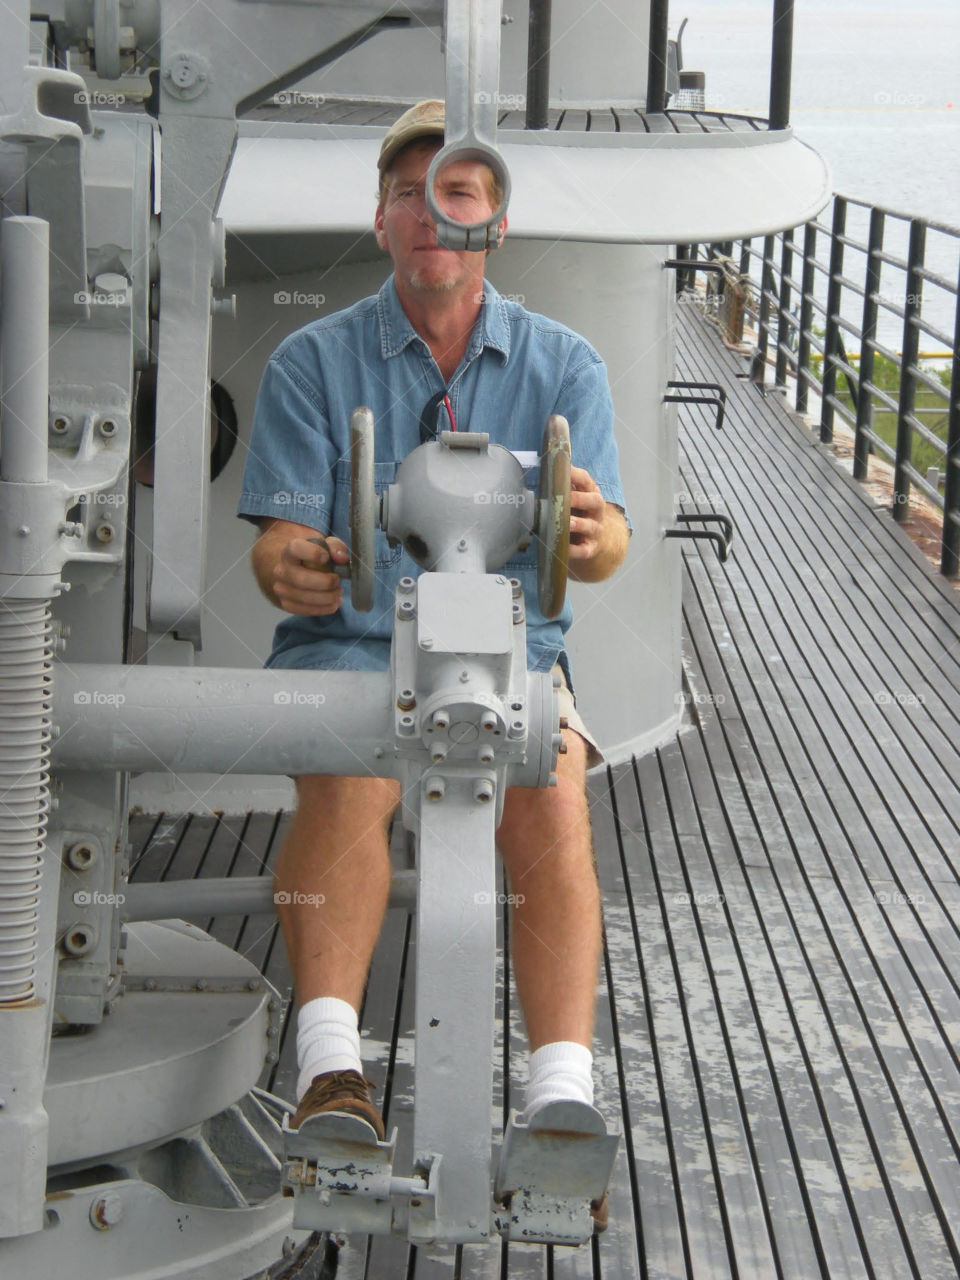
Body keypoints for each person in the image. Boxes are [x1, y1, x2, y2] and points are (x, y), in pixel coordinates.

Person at [238, 101, 631, 1210]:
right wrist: (287, 565)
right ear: (381, 221)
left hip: (510, 656)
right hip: (351, 647)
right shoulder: (315, 361)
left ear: (493, 223)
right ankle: (330, 1074)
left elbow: (602, 543)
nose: (431, 213)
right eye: (409, 192)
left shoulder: (565, 367)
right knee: (349, 770)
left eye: (455, 192)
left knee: (552, 796)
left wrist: (596, 540)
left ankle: (562, 1096)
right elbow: (275, 545)